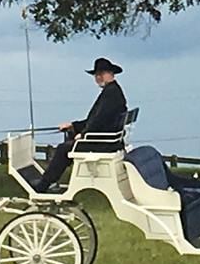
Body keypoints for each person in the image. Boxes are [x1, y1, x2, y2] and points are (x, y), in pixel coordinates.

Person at [28, 58, 128, 190]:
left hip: (103, 143)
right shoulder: (112, 91)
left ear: (111, 74)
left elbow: (99, 121)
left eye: (102, 73)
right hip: (106, 139)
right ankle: (49, 180)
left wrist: (83, 134)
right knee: (69, 141)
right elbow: (94, 119)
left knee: (63, 149)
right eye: (97, 74)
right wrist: (73, 126)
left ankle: (44, 184)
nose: (98, 77)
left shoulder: (111, 94)